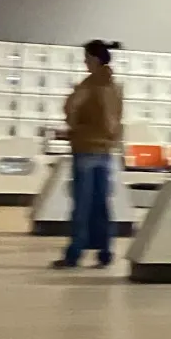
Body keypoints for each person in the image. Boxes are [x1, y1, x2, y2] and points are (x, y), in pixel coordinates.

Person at [53, 40, 123, 269]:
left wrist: (72, 128)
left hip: (85, 149)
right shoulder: (114, 87)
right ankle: (104, 252)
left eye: (86, 58)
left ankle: (74, 253)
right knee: (102, 203)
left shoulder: (89, 85)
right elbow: (115, 121)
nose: (84, 62)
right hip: (105, 151)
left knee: (81, 205)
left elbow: (71, 109)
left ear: (94, 59)